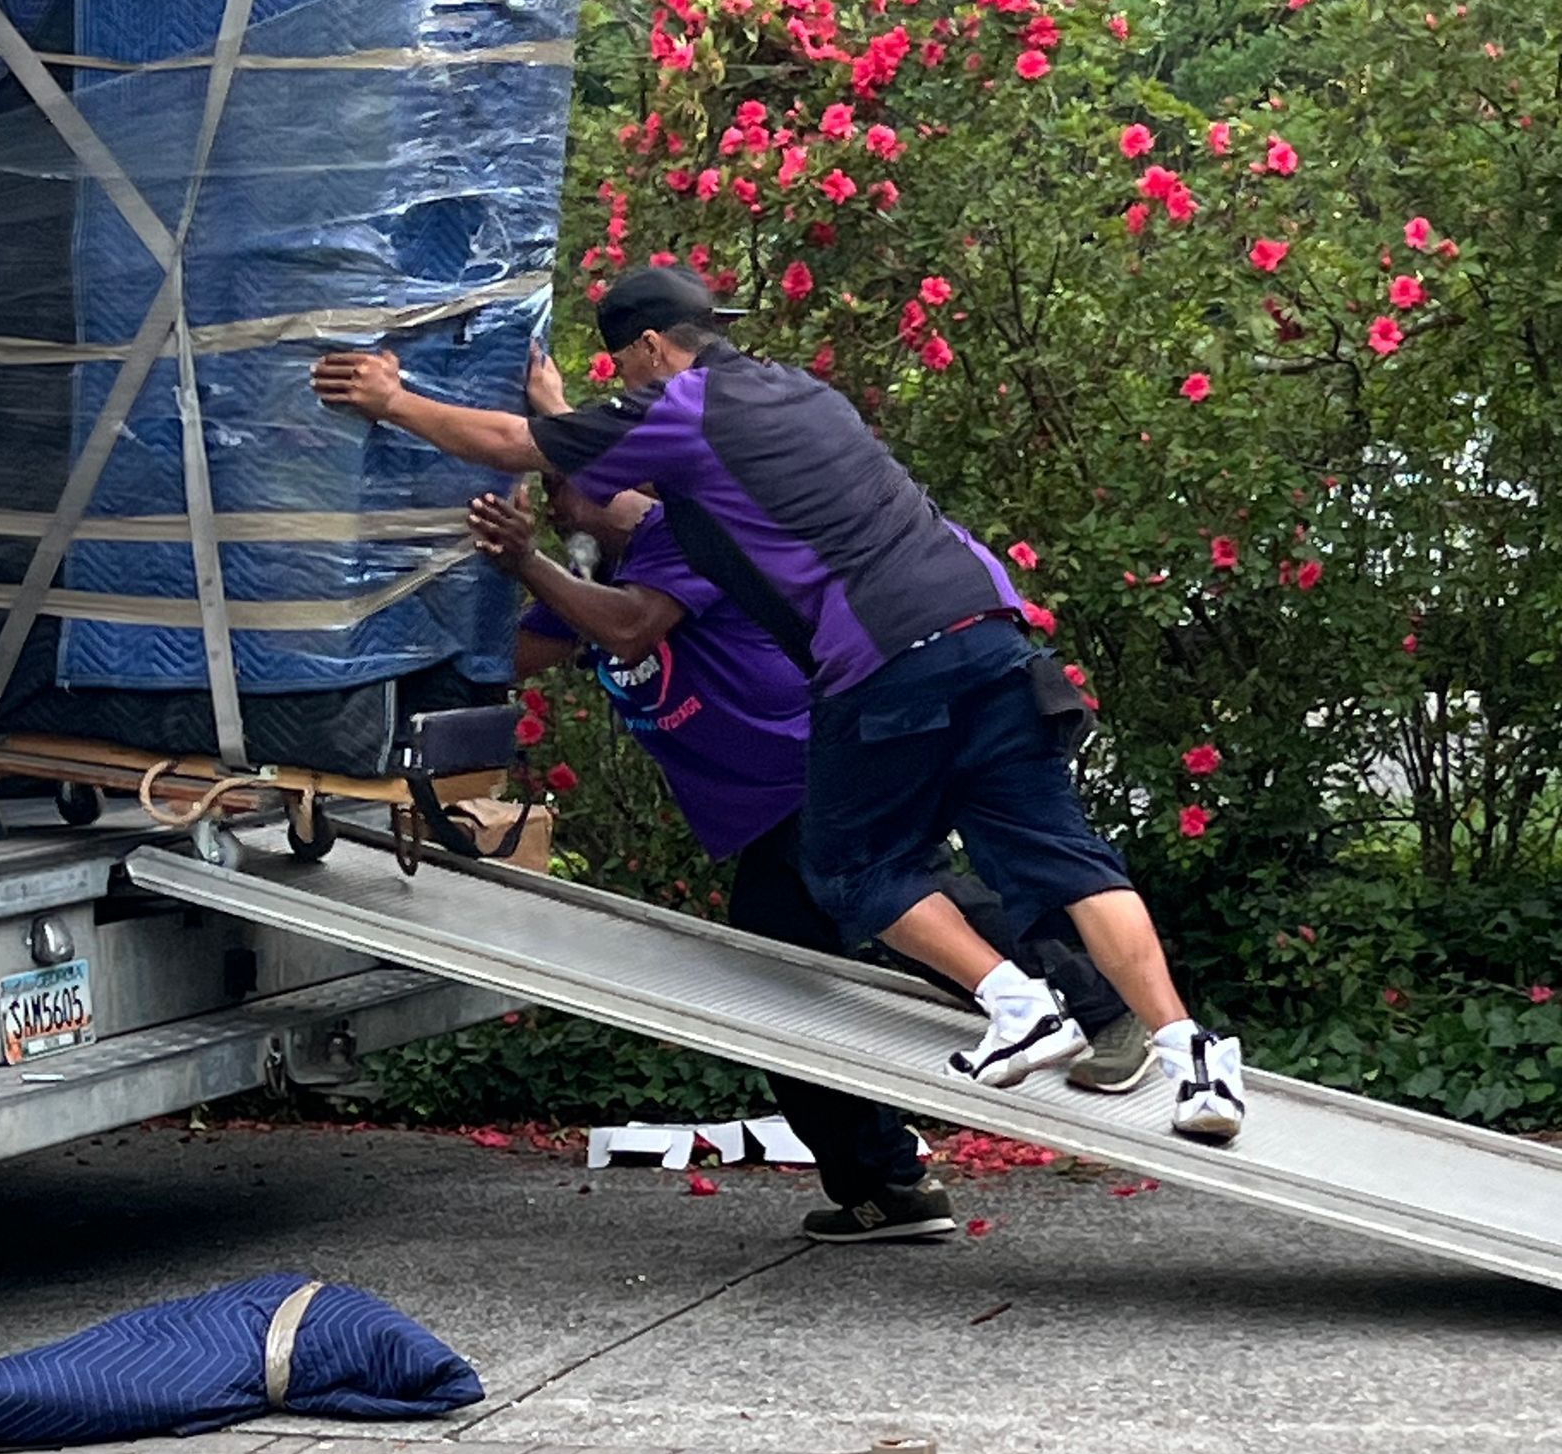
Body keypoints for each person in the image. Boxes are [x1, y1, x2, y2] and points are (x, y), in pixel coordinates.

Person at [311, 268, 1246, 1142]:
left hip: (885, 653)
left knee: (845, 867)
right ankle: (1191, 1053)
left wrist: (393, 399)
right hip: (990, 628)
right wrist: (561, 424)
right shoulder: (799, 396)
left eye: (626, 372)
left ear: (643, 351)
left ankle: (1016, 1002)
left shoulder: (688, 411)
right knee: (1065, 856)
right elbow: (613, 500)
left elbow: (528, 453)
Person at [475, 461, 1151, 1241]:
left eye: (562, 486)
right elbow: (507, 657)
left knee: (892, 891)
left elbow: (631, 625)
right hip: (767, 810)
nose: (555, 505)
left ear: (628, 479)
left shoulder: (681, 539)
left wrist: (527, 558)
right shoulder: (589, 585)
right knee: (781, 984)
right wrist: (479, 569)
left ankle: (1101, 1006)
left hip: (823, 762)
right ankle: (886, 1184)